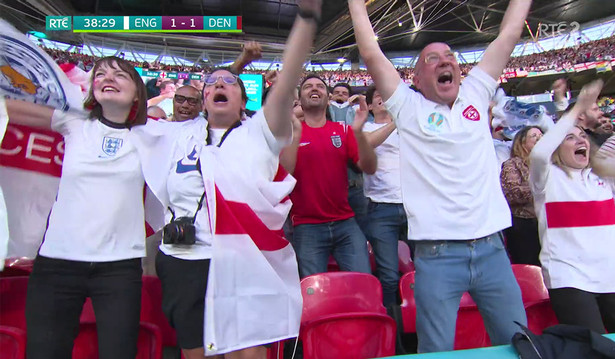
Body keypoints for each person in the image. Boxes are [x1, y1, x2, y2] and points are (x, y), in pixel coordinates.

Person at [131, 2, 321, 358]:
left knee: (245, 354)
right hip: (183, 260)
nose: (219, 85)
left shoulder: (260, 133)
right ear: (204, 99)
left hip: (243, 259)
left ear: (244, 99)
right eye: (211, 84)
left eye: (229, 83)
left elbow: (285, 86)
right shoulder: (175, 135)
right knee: (197, 353)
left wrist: (306, 21)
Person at [349, 0, 530, 352]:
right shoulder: (407, 106)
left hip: (493, 250)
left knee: (518, 344)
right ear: (416, 79)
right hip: (437, 257)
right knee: (436, 351)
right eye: (432, 59)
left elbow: (508, 33)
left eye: (449, 56)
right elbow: (371, 52)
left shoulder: (477, 93)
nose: (445, 60)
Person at [2, 56, 148, 359]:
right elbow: (7, 109)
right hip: (57, 263)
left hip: (119, 268)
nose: (107, 78)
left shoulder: (153, 135)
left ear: (137, 92)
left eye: (119, 74)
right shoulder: (72, 123)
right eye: (100, 74)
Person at [529, 79, 615, 334]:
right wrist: (576, 110)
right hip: (570, 280)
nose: (581, 141)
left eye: (582, 137)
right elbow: (539, 153)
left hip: (610, 276)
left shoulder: (603, 179)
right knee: (593, 349)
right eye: (570, 137)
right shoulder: (546, 180)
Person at [280, 73, 377, 279]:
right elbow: (284, 175)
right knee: (313, 295)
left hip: (346, 223)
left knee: (362, 285)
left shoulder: (343, 130)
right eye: (308, 86)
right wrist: (294, 132)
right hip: (306, 227)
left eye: (320, 86)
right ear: (299, 99)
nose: (314, 89)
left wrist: (359, 133)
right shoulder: (288, 135)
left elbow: (369, 167)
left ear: (328, 97)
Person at [362, 86, 406, 306]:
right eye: (377, 96)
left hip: (414, 205)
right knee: (389, 276)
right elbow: (368, 144)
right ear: (369, 105)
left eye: (385, 94)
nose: (382, 98)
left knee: (428, 269)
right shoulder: (364, 128)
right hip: (380, 208)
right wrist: (395, 122)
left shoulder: (409, 127)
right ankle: (394, 335)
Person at [501, 126, 544, 265]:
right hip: (525, 226)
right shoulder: (512, 164)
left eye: (541, 135)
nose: (539, 138)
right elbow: (512, 193)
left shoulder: (552, 164)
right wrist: (540, 189)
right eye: (534, 136)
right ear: (522, 142)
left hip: (547, 221)